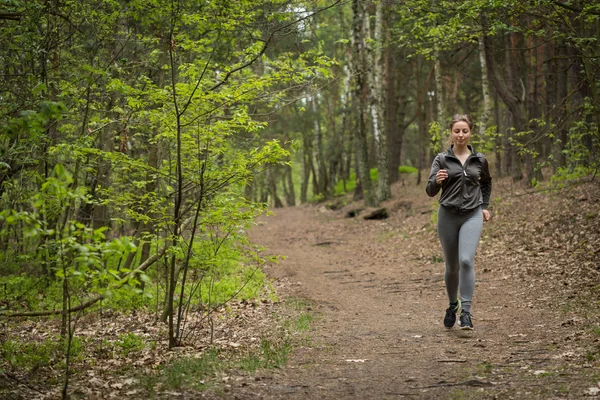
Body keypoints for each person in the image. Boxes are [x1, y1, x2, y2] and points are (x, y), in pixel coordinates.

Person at [426, 114, 492, 330]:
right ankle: (452, 305)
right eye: (457, 131)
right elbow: (430, 191)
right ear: (451, 133)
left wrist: (484, 207)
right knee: (452, 265)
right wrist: (436, 181)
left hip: (472, 214)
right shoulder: (441, 159)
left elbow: (486, 183)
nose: (461, 135)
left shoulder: (479, 160)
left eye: (465, 131)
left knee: (465, 261)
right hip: (448, 215)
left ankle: (466, 312)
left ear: (470, 132)